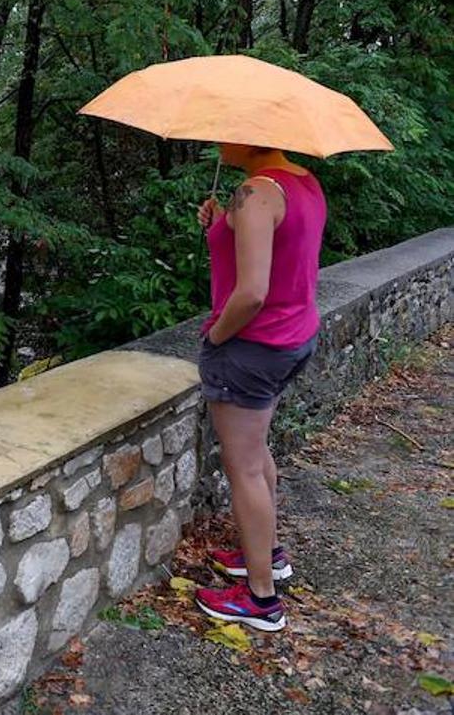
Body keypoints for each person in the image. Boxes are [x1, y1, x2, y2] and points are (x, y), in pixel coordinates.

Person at [192, 143, 327, 632]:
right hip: (294, 337)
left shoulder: (254, 193)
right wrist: (222, 223)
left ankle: (261, 599)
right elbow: (281, 245)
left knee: (243, 466)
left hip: (252, 346)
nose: (219, 141)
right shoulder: (303, 184)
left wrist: (216, 336)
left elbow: (251, 293)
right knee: (256, 450)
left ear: (250, 138)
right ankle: (268, 553)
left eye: (228, 132)